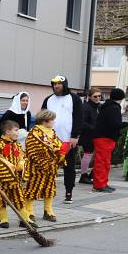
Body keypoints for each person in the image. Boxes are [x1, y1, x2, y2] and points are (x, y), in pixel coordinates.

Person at [41, 75, 83, 203]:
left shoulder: (74, 99)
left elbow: (78, 118)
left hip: (67, 140)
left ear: (64, 84)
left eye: (59, 83)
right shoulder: (48, 100)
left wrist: (74, 136)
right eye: (54, 84)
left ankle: (68, 192)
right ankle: (46, 190)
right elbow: (42, 118)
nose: (56, 86)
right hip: (50, 140)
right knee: (47, 166)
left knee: (69, 167)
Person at [24, 109, 68, 221]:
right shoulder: (34, 133)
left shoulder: (52, 132)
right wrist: (49, 157)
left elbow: (58, 145)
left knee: (50, 189)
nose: (54, 122)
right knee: (32, 189)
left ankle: (48, 211)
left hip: (52, 167)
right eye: (52, 120)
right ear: (45, 120)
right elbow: (33, 149)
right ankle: (29, 212)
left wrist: (61, 154)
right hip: (37, 167)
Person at [0, 120, 31, 228]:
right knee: (2, 199)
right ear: (8, 132)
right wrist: (13, 168)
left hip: (16, 179)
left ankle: (24, 219)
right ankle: (3, 219)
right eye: (16, 130)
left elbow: (22, 157)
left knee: (20, 198)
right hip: (4, 179)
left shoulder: (17, 145)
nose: (18, 133)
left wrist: (21, 165)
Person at [91, 88, 125, 193]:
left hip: (102, 137)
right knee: (103, 162)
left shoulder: (107, 106)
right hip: (105, 138)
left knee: (104, 162)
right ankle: (100, 185)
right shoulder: (114, 108)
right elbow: (115, 124)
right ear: (121, 98)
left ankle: (103, 183)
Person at [78, 89, 102, 184]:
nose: (97, 98)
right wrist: (94, 128)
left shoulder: (99, 107)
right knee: (88, 154)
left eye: (99, 96)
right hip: (87, 135)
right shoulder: (86, 107)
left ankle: (91, 174)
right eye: (95, 96)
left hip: (96, 135)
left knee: (99, 155)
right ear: (90, 97)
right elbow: (83, 123)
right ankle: (83, 176)